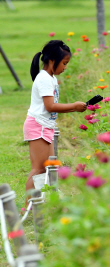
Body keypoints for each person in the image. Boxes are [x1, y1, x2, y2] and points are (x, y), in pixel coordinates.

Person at [23, 40, 87, 198]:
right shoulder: (44, 78)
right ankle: (28, 208)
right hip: (38, 126)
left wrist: (75, 107)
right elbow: (50, 106)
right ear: (52, 60)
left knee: (49, 168)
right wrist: (74, 106)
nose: (65, 67)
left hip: (45, 126)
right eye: (64, 63)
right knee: (38, 169)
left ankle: (45, 203)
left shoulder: (50, 78)